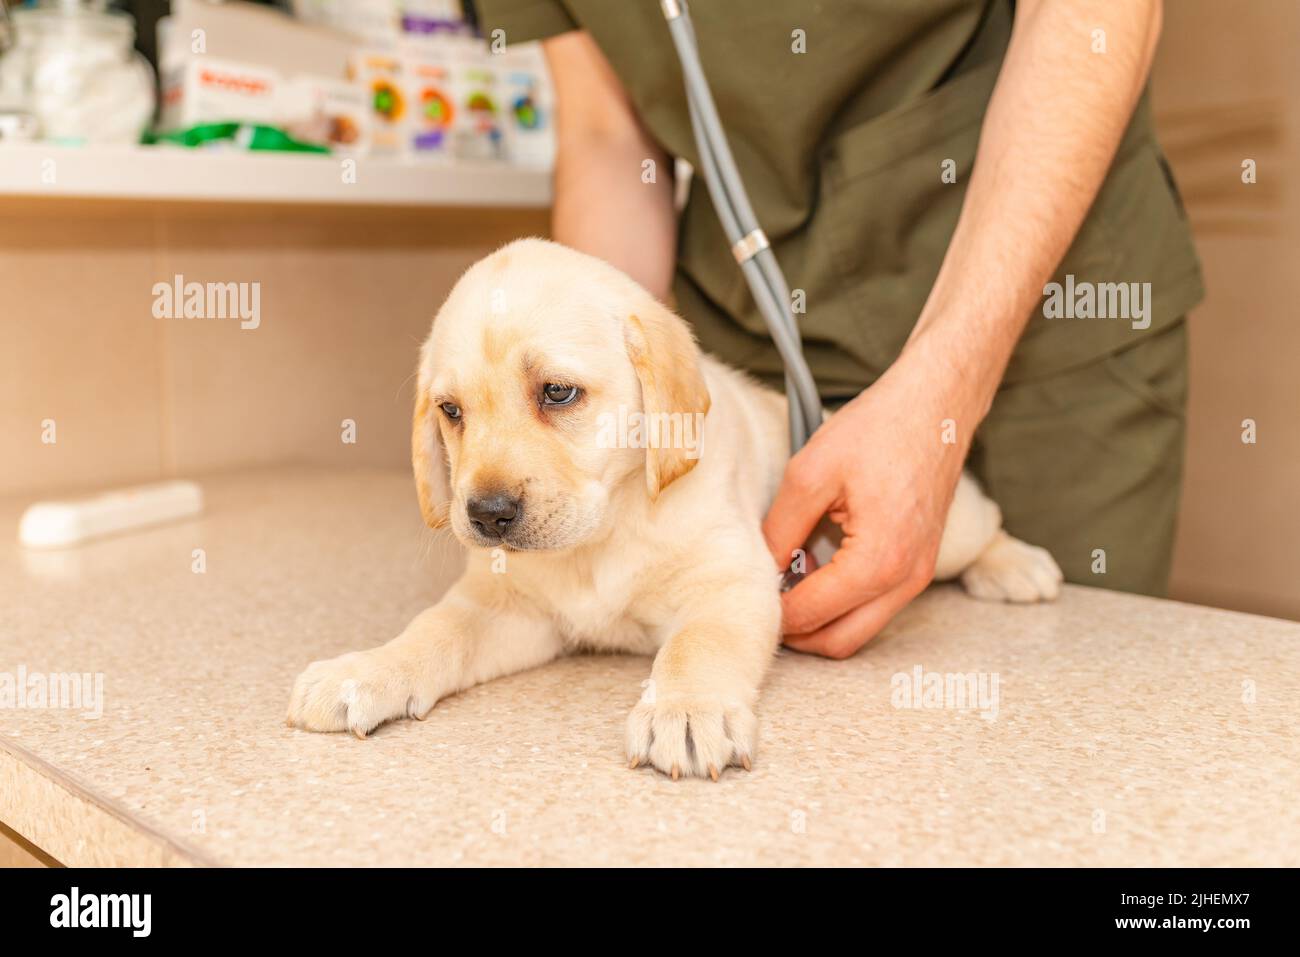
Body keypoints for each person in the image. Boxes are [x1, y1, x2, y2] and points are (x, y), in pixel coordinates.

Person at [474, 0, 1203, 658]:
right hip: (753, 320)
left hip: (1040, 296)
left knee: (1065, 692)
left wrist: (939, 399)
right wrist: (588, 387)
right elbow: (607, 129)